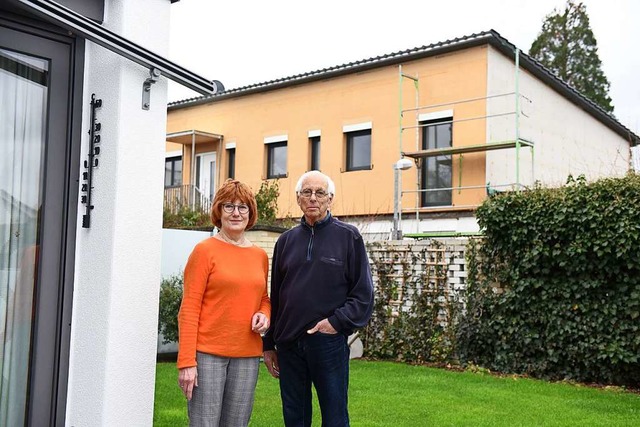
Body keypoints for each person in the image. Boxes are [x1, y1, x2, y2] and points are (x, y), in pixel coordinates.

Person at [262, 170, 374, 427]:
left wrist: (335, 323)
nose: (313, 198)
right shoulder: (285, 242)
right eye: (307, 192)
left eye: (320, 193)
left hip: (328, 343)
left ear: (330, 199)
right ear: (298, 198)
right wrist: (268, 344)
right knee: (295, 418)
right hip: (289, 345)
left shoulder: (349, 237)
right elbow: (277, 297)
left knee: (335, 418)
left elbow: (363, 295)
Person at [177, 179, 271, 427]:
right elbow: (188, 308)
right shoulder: (204, 251)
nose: (236, 213)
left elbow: (263, 297)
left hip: (247, 356)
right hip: (208, 356)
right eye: (229, 206)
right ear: (218, 211)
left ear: (251, 213)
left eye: (243, 207)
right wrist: (187, 362)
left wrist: (264, 313)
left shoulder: (260, 256)